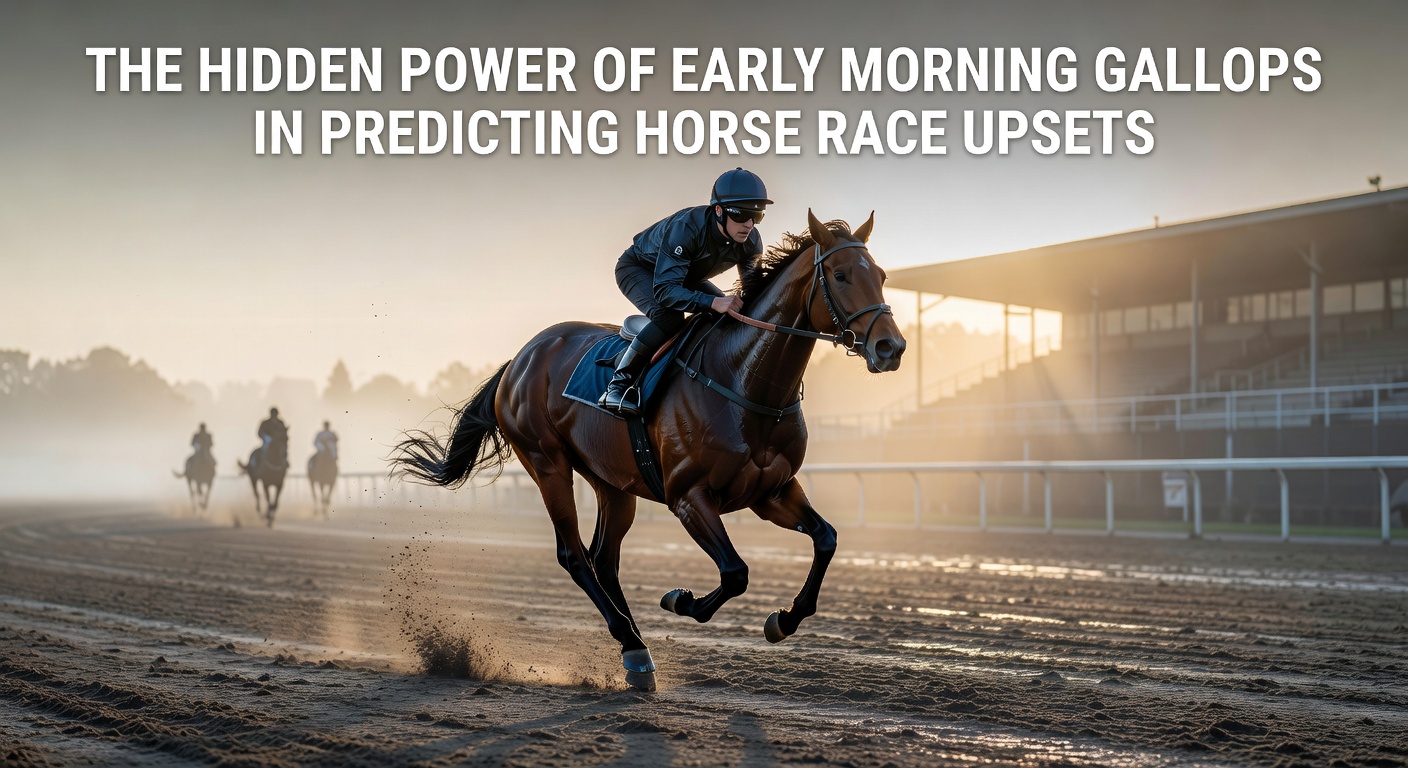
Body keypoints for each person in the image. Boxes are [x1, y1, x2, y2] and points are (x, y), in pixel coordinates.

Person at [598, 167, 773, 416]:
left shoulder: (751, 240)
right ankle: (618, 385)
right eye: (742, 214)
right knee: (669, 317)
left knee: (732, 314)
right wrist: (712, 302)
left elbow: (754, 292)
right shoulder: (686, 228)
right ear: (718, 211)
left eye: (757, 215)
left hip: (685, 276)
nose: (749, 224)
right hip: (639, 269)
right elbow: (666, 291)